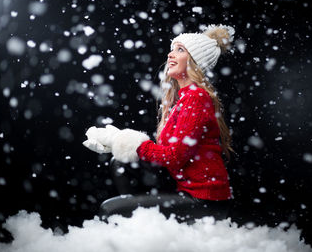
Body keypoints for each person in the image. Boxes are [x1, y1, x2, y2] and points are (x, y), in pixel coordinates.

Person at [83, 24, 235, 224]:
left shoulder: (196, 97)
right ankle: (140, 228)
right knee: (120, 163)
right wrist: (116, 143)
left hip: (205, 200)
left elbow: (174, 157)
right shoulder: (183, 98)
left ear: (195, 61)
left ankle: (135, 227)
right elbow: (166, 154)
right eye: (172, 49)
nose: (170, 55)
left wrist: (129, 141)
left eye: (180, 50)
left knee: (110, 210)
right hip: (183, 187)